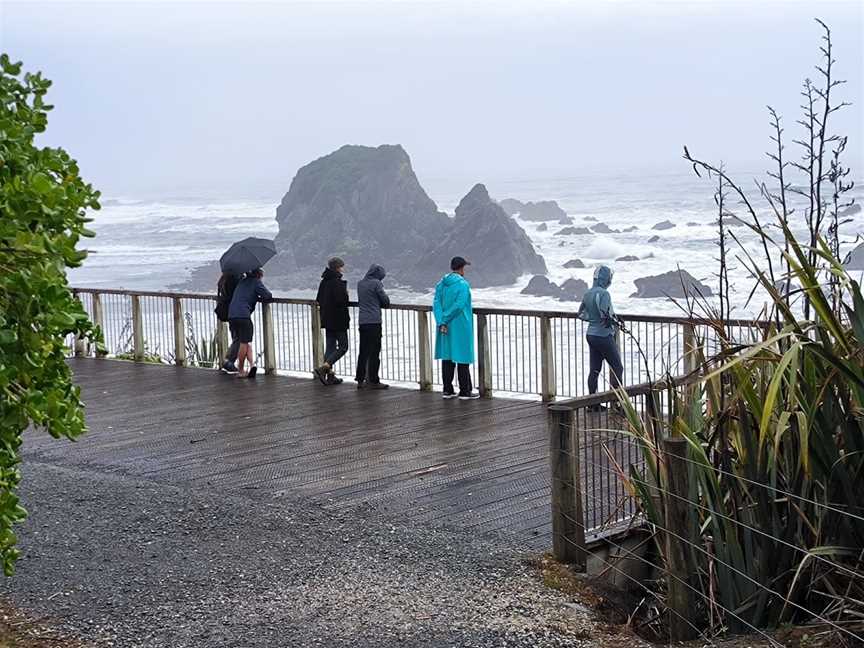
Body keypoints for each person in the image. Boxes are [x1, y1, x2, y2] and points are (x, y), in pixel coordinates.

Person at [577, 265, 624, 408]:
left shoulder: (588, 293)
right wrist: (616, 321)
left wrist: (593, 320)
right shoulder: (604, 294)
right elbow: (605, 314)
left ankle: (592, 404)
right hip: (603, 335)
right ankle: (617, 405)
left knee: (595, 369)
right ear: (605, 278)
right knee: (617, 367)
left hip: (590, 334)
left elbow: (580, 314)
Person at [433, 256, 479, 400]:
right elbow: (459, 305)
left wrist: (441, 321)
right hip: (460, 323)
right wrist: (447, 318)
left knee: (447, 356)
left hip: (444, 326)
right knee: (462, 356)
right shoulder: (463, 284)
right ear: (461, 268)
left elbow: (436, 304)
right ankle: (465, 391)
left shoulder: (441, 283)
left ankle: (447, 390)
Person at [227, 267, 272, 379]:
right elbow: (268, 295)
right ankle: (241, 370)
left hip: (232, 315)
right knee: (244, 342)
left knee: (245, 342)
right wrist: (258, 295)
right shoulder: (256, 282)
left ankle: (251, 365)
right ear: (259, 275)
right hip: (243, 316)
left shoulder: (242, 281)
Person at [314, 257, 350, 386]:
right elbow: (342, 301)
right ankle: (324, 367)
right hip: (338, 319)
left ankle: (330, 376)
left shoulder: (324, 282)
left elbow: (318, 299)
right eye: (342, 266)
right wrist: (346, 293)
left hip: (327, 318)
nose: (343, 269)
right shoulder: (337, 282)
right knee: (343, 346)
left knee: (330, 347)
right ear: (338, 267)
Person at [355, 264, 390, 390]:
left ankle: (360, 379)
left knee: (363, 352)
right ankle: (374, 380)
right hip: (374, 321)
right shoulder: (376, 283)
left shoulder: (360, 283)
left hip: (362, 321)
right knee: (375, 352)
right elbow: (385, 301)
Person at [216, 271, 241, 374]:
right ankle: (229, 361)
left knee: (236, 336)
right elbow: (237, 293)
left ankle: (229, 361)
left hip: (229, 312)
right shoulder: (234, 280)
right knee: (239, 338)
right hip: (236, 311)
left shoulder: (222, 280)